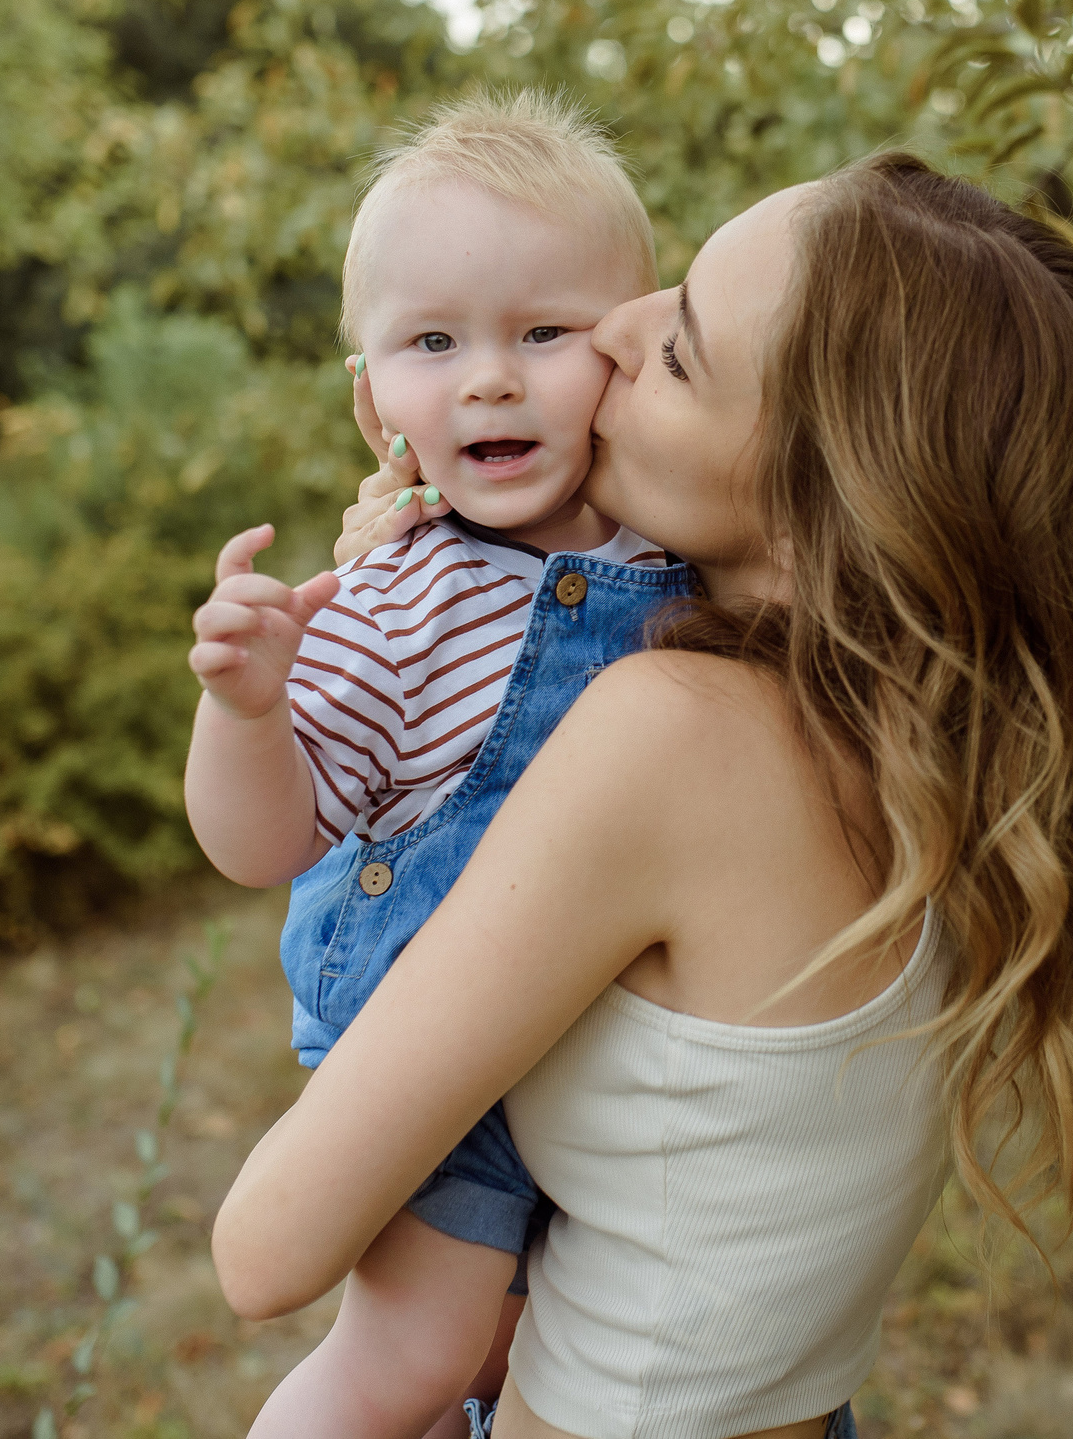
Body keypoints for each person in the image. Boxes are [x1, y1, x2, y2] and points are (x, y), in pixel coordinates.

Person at [209, 153, 1073, 1439]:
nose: (611, 334)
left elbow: (267, 1247)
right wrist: (447, 518)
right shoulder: (945, 752)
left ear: (812, 497)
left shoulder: (675, 734)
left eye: (679, 351)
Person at [185, 91, 683, 1439]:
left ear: (633, 354)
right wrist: (246, 713)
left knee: (549, 1363)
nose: (489, 378)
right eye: (433, 341)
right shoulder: (398, 601)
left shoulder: (679, 554)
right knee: (417, 1356)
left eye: (545, 332)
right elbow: (263, 843)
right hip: (434, 1046)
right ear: (373, 400)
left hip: (610, 1043)